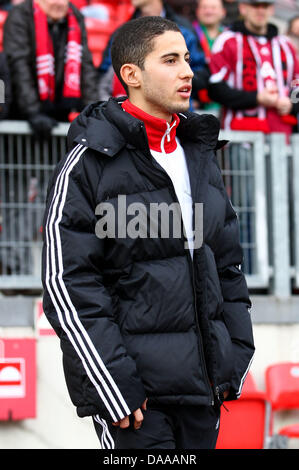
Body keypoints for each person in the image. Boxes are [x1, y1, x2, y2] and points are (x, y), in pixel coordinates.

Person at [42, 15, 255, 450]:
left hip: (205, 393)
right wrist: (115, 385)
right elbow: (67, 283)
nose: (188, 71)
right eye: (171, 60)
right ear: (131, 75)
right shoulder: (89, 162)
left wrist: (233, 355)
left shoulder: (200, 155)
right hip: (136, 403)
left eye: (188, 59)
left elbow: (227, 266)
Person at [3, 0, 98, 139]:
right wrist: (33, 112)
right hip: (23, 115)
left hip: (60, 111)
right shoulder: (20, 16)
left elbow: (86, 66)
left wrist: (94, 111)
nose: (60, 3)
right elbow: (19, 66)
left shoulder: (75, 16)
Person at [208, 0, 299, 137]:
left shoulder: (285, 45)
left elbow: (296, 85)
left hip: (282, 135)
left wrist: (292, 104)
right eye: (255, 5)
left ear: (272, 9)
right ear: (243, 8)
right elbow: (215, 88)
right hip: (241, 137)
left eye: (265, 6)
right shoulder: (227, 41)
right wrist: (256, 98)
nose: (260, 10)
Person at [98, 0, 206, 101]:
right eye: (170, 60)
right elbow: (105, 73)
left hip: (176, 113)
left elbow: (202, 73)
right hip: (127, 112)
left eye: (171, 60)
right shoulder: (122, 33)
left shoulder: (184, 30)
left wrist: (174, 82)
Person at [192, 0, 226, 111]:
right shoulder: (188, 33)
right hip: (196, 100)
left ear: (223, 12)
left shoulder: (230, 37)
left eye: (213, 7)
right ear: (197, 11)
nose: (209, 11)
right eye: (204, 7)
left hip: (224, 100)